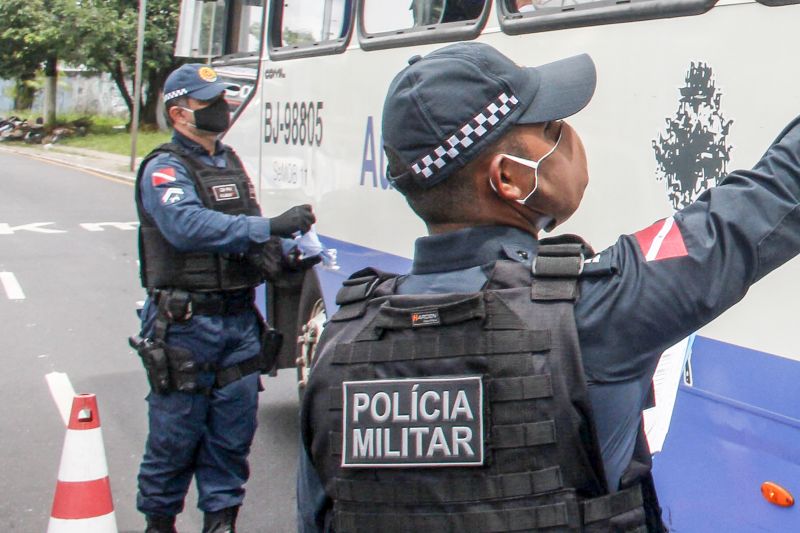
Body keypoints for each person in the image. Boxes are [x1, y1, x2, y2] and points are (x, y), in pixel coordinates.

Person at [296, 41, 800, 532]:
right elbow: (775, 193)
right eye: (551, 128)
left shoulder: (340, 348)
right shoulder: (594, 313)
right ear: (509, 179)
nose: (569, 138)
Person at [132, 63, 315, 533]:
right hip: (185, 329)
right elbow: (187, 227)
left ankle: (221, 523)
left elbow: (246, 237)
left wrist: (283, 257)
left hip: (237, 325)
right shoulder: (164, 168)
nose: (222, 107)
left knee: (231, 441)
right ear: (179, 114)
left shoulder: (228, 162)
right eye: (208, 101)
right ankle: (159, 523)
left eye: (222, 98)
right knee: (175, 439)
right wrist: (267, 225)